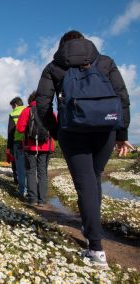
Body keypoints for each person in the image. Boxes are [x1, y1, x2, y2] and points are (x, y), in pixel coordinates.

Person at [36, 30, 133, 268]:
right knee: (94, 180)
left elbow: (42, 105)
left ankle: (96, 249)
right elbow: (122, 98)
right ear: (84, 41)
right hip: (106, 130)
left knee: (86, 184)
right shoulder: (105, 61)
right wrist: (121, 134)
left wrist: (58, 132)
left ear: (62, 46)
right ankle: (92, 229)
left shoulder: (53, 67)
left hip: (72, 132)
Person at [16, 91, 55, 207]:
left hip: (30, 146)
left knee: (31, 171)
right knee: (42, 172)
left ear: (30, 100)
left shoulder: (27, 111)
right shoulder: (48, 110)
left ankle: (32, 199)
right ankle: (42, 200)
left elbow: (20, 129)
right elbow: (55, 126)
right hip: (45, 146)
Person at [7, 97, 26, 196]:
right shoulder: (29, 110)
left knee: (20, 168)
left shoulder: (13, 114)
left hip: (18, 142)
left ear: (15, 104)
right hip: (30, 142)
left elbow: (10, 132)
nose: (12, 109)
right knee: (31, 168)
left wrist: (9, 147)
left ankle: (23, 191)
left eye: (12, 106)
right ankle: (34, 192)